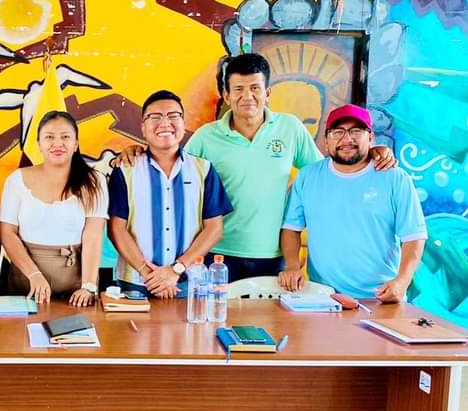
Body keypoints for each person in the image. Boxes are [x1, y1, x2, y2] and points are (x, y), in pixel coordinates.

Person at [117, 53, 396, 282]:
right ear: (226, 95)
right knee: (216, 325)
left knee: (266, 327)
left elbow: (324, 171)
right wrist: (138, 152)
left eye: (255, 88)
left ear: (267, 93)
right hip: (217, 254)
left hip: (273, 254)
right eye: (238, 89)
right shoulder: (206, 136)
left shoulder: (289, 128)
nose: (247, 96)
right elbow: (172, 166)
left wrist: (370, 153)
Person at [278, 104, 427, 302]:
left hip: (381, 298)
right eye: (338, 132)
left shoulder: (395, 178)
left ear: (371, 137)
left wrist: (402, 281)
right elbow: (291, 228)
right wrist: (291, 265)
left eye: (356, 131)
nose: (347, 139)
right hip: (323, 297)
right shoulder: (307, 177)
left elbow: (414, 236)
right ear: (325, 140)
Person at [108, 90, 232, 298]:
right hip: (135, 285)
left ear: (183, 123)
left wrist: (176, 269)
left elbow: (214, 228)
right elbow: (116, 229)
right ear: (143, 128)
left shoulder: (203, 170)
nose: (165, 123)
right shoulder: (125, 170)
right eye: (155, 117)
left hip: (188, 284)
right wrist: (149, 274)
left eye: (173, 116)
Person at [0, 110, 108, 307]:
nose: (58, 143)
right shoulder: (16, 179)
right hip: (25, 281)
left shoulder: (95, 181)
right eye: (49, 137)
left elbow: (93, 235)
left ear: (76, 144)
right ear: (39, 144)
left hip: (77, 287)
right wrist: (34, 275)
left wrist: (88, 286)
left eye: (65, 137)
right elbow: (7, 233)